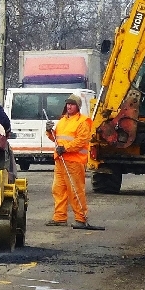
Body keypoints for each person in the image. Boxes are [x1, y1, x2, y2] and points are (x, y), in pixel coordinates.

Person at [46, 92, 100, 229]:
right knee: (58, 190)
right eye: (68, 104)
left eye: (72, 104)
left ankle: (81, 219)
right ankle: (59, 217)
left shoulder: (83, 121)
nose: (69, 106)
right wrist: (49, 131)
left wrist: (65, 148)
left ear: (78, 107)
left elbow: (81, 141)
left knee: (76, 191)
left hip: (74, 162)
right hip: (60, 161)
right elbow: (56, 138)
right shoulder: (63, 120)